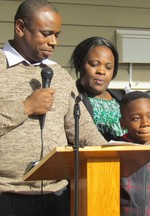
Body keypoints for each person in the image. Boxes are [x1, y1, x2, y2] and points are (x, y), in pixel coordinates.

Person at [0, 1, 107, 215]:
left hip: (57, 195)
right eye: (46, 34)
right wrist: (25, 107)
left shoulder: (58, 74)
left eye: (57, 34)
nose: (54, 42)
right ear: (20, 27)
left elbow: (83, 130)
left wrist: (114, 154)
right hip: (7, 196)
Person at [69, 36, 126, 141]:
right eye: (94, 64)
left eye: (108, 67)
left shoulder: (123, 98)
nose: (101, 71)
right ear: (79, 65)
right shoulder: (71, 98)